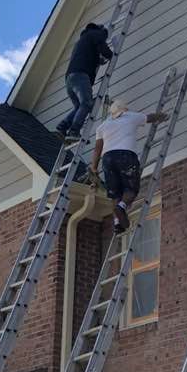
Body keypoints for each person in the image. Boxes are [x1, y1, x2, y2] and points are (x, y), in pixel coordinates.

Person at [90, 99, 167, 233]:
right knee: (131, 189)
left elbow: (97, 150)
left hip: (108, 159)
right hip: (125, 156)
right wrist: (163, 116)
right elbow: (150, 117)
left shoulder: (102, 126)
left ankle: (117, 223)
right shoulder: (131, 116)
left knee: (115, 194)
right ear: (124, 110)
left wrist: (94, 168)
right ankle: (122, 206)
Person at [56, 23, 113, 143]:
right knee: (87, 103)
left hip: (70, 78)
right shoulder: (97, 34)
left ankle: (62, 127)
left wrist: (99, 60)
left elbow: (90, 55)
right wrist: (111, 55)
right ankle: (74, 131)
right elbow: (103, 49)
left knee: (79, 106)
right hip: (80, 75)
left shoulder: (83, 40)